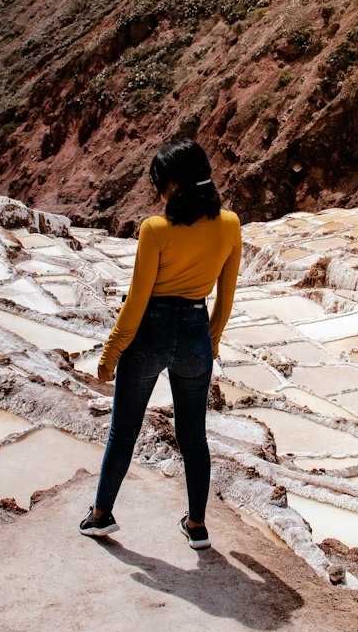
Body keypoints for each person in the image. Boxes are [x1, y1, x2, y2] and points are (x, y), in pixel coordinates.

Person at [79, 139, 241, 549]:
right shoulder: (231, 224)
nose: (159, 191)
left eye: (160, 182)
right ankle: (198, 526)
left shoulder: (155, 229)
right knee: (193, 437)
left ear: (172, 183)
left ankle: (101, 515)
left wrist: (112, 350)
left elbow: (136, 300)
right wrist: (212, 341)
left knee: (124, 432)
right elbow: (227, 296)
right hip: (194, 331)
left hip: (150, 329)